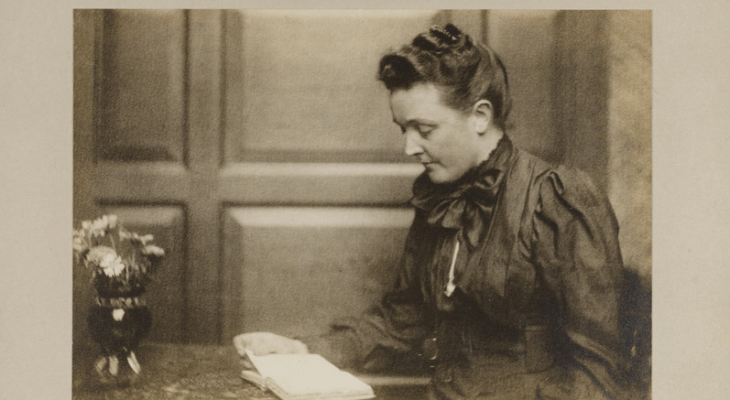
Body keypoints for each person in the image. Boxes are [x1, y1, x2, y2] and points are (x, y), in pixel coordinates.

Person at [234, 24, 630, 400]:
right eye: (402, 129)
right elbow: (402, 319)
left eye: (424, 129)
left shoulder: (558, 198)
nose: (409, 148)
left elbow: (599, 368)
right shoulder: (438, 198)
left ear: (480, 116)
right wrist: (302, 349)